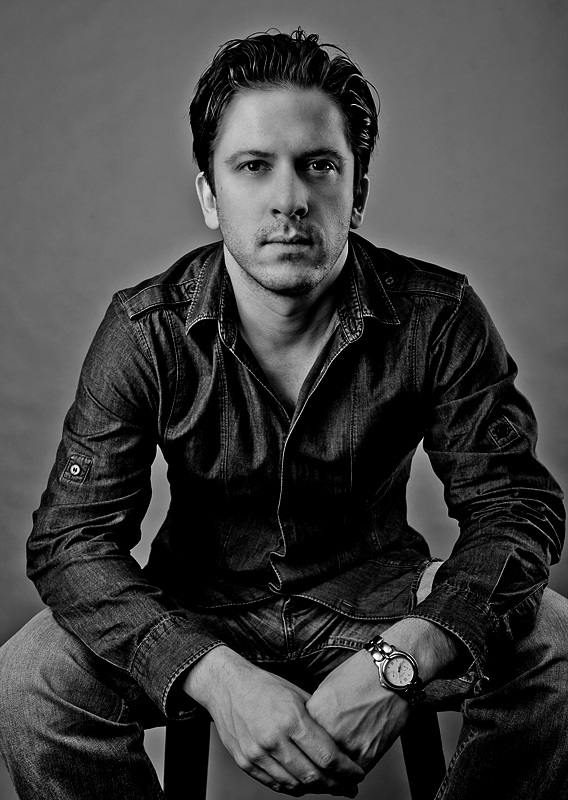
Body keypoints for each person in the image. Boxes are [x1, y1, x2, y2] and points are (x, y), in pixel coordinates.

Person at [0, 27, 566, 800]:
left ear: (356, 193)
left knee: (554, 647)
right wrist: (212, 673)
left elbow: (515, 507)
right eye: (253, 166)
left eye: (319, 165)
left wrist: (402, 659)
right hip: (199, 607)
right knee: (31, 681)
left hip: (380, 602)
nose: (289, 199)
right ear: (210, 196)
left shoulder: (438, 317)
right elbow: (71, 541)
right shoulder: (146, 332)